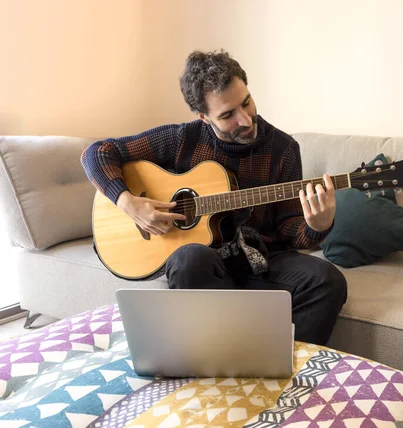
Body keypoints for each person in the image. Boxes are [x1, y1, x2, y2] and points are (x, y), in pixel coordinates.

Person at [81, 50, 347, 346]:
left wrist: (317, 226)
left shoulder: (282, 148)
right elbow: (97, 153)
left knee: (328, 280)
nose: (246, 120)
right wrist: (128, 203)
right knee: (189, 257)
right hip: (204, 267)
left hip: (263, 261)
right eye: (227, 115)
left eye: (246, 102)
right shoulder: (181, 139)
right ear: (203, 117)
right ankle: (208, 363)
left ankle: (287, 368)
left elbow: (289, 228)